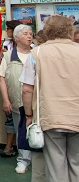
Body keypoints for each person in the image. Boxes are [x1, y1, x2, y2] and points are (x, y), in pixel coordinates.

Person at [21, 14, 79, 182]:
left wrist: (29, 116)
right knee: (77, 163)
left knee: (55, 166)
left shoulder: (36, 53)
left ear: (47, 31)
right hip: (76, 115)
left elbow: (27, 89)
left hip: (50, 117)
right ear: (69, 30)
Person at [0, 23, 33, 173]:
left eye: (31, 33)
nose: (29, 36)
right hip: (18, 103)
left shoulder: (37, 53)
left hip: (37, 102)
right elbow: (2, 78)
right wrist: (6, 100)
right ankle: (23, 160)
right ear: (17, 38)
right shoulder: (8, 56)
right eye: (25, 33)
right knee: (21, 133)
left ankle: (40, 160)